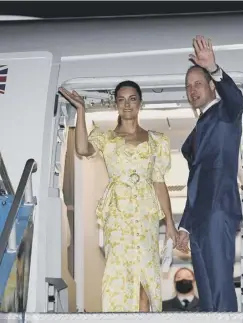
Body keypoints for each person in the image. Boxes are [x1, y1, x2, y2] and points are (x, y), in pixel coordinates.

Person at [58, 81, 178, 313]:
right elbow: (82, 149)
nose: (127, 104)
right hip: (118, 214)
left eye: (132, 98)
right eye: (121, 99)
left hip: (145, 214)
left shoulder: (157, 140)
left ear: (140, 103)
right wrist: (81, 110)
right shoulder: (106, 138)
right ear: (116, 104)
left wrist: (170, 223)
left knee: (145, 275)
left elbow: (159, 182)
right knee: (121, 275)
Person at [176, 35, 243, 312]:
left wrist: (214, 68)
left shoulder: (225, 115)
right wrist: (184, 225)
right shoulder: (200, 126)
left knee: (220, 286)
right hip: (200, 218)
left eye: (198, 84)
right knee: (205, 291)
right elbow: (196, 182)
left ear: (211, 87)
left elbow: (236, 100)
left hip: (218, 211)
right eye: (188, 86)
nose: (193, 90)